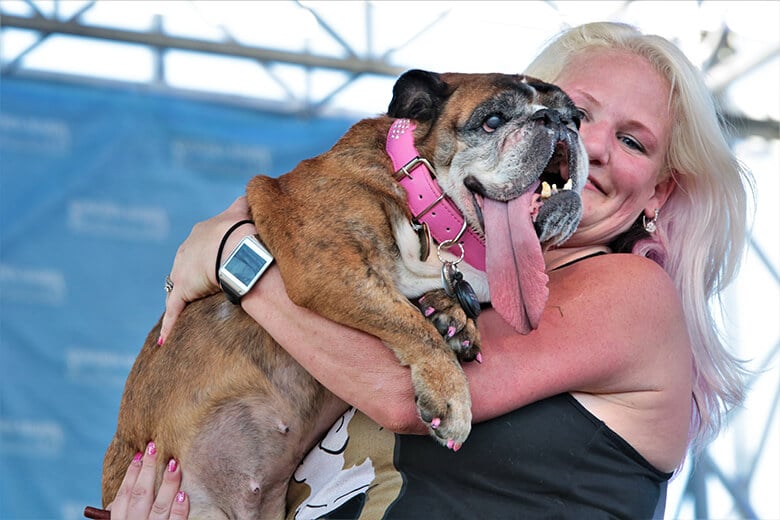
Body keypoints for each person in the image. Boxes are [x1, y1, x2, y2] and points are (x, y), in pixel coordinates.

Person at [107, 21, 753, 519]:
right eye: (574, 114)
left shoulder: (631, 295)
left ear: (661, 194)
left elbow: (407, 398)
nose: (588, 145)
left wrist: (237, 260)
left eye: (634, 141)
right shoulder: (452, 279)